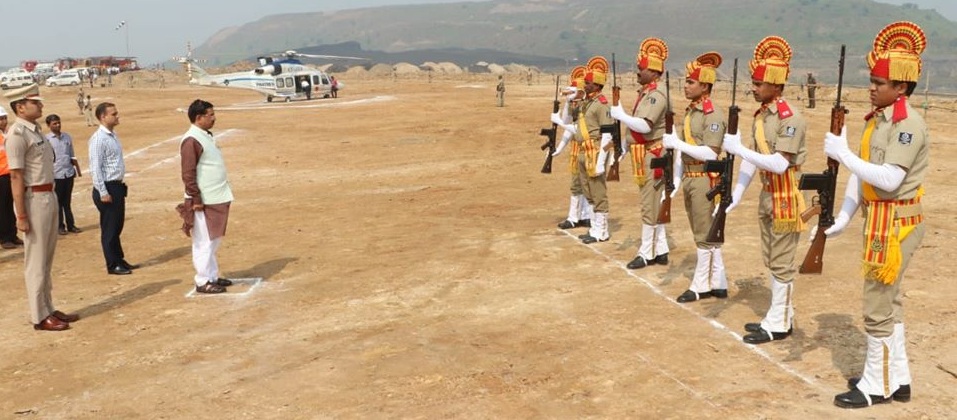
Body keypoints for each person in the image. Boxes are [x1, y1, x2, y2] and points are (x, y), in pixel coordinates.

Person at [825, 21, 928, 409]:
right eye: (871, 81)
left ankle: (876, 385)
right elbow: (862, 176)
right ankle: (896, 378)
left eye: (879, 82)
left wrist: (844, 154)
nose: (872, 88)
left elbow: (886, 179)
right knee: (890, 302)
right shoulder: (879, 121)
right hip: (882, 220)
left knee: (877, 305)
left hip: (897, 222)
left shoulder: (907, 126)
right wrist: (845, 217)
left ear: (901, 87)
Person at [721, 36, 807, 344]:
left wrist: (740, 149)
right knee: (771, 258)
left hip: (785, 195)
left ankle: (779, 322)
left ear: (775, 85)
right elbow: (753, 161)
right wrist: (738, 192)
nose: (753, 88)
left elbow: (779, 163)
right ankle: (779, 314)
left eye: (759, 83)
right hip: (767, 194)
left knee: (782, 261)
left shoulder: (790, 118)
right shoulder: (762, 116)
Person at [3, 84, 79, 331]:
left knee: (46, 258)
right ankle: (39, 316)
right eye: (35, 102)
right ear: (20, 107)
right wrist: (21, 215)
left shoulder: (35, 131)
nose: (41, 106)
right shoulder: (17, 134)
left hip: (48, 195)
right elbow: (16, 176)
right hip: (33, 199)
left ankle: (48, 306)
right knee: (35, 261)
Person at [661, 52, 728, 302]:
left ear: (705, 86)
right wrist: (676, 181)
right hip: (690, 176)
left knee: (703, 232)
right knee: (705, 231)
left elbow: (711, 151)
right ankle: (718, 281)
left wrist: (677, 143)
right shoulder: (691, 112)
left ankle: (701, 285)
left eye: (691, 82)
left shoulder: (713, 114)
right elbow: (684, 151)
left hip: (705, 177)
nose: (686, 86)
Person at [610, 37, 671, 269]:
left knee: (649, 204)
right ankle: (661, 248)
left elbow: (645, 125)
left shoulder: (656, 94)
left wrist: (620, 114)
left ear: (654, 72)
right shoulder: (647, 91)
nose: (637, 71)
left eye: (641, 68)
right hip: (644, 152)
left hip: (653, 154)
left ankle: (647, 253)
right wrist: (624, 148)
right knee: (654, 202)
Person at [552, 56, 614, 244]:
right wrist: (569, 100)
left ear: (597, 85)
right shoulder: (586, 103)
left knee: (597, 191)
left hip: (595, 151)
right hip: (583, 151)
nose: (584, 85)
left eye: (587, 83)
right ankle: (594, 228)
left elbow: (608, 134)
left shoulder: (602, 104)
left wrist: (603, 160)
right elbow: (568, 121)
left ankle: (601, 230)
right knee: (588, 190)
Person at [178, 99, 234, 294]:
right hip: (203, 200)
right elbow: (188, 173)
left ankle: (211, 275)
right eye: (210, 115)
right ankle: (202, 280)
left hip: (216, 196)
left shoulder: (205, 136)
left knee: (214, 239)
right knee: (204, 241)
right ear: (198, 118)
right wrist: (196, 199)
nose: (214, 118)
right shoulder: (191, 140)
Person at [89, 102, 137, 275]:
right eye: (113, 114)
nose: (117, 116)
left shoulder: (112, 136)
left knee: (117, 225)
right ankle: (112, 264)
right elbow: (95, 168)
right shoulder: (98, 139)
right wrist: (103, 192)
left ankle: (119, 259)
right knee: (110, 228)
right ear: (103, 117)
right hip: (107, 188)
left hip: (116, 186)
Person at [553, 67, 593, 231]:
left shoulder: (587, 107)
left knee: (587, 183)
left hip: (589, 147)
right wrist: (559, 147)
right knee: (577, 184)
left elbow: (573, 127)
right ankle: (577, 216)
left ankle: (583, 215)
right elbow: (567, 123)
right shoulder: (575, 105)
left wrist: (560, 122)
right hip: (577, 147)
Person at [45, 114, 82, 235]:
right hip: (56, 174)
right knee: (58, 202)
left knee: (67, 202)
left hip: (68, 172)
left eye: (58, 122)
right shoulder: (47, 140)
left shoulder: (67, 137)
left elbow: (71, 154)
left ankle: (71, 225)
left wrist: (77, 168)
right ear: (49, 125)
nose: (58, 125)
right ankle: (60, 226)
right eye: (54, 123)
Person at [1, 105, 26, 249]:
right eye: (0, 119)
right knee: (3, 208)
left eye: (4, 118)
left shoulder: (8, 134)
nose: (3, 122)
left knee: (12, 207)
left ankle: (12, 234)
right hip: (1, 177)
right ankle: (4, 238)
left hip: (11, 175)